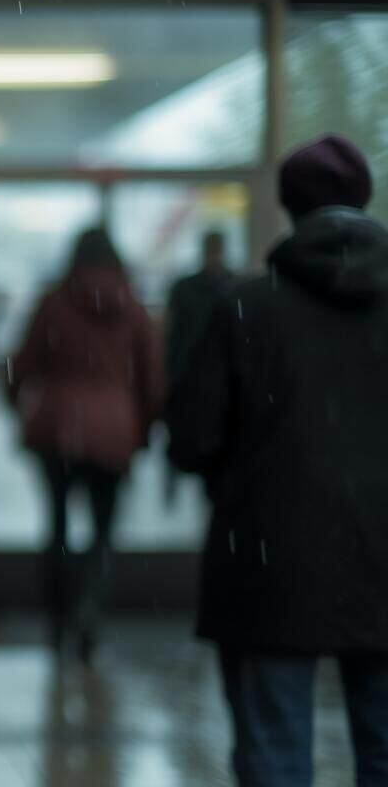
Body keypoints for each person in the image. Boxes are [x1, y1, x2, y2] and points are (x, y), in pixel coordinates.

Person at [166, 134, 388, 787]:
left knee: (274, 757)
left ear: (288, 205)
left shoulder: (247, 307)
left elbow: (191, 438)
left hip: (270, 563)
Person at [8, 227, 163, 663]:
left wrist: (16, 403)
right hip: (114, 433)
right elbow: (152, 381)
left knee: (56, 528)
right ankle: (89, 613)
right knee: (103, 532)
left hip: (58, 431)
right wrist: (143, 427)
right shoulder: (133, 310)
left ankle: (57, 624)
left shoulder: (55, 303)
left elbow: (22, 365)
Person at [165, 230, 234, 388]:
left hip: (194, 368)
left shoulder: (184, 288)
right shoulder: (235, 287)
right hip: (203, 368)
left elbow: (172, 334)